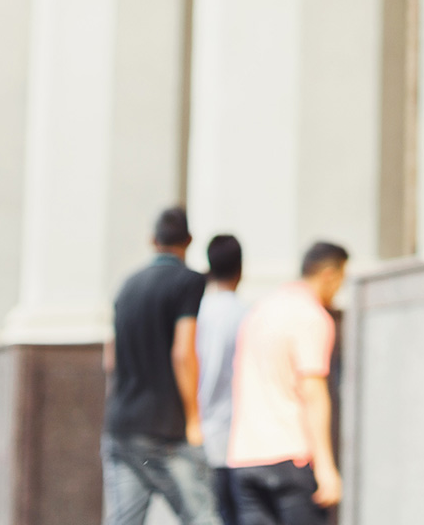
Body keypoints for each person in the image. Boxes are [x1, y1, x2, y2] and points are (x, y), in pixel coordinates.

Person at [102, 208, 221, 525]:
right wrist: (194, 419)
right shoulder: (189, 281)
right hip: (165, 430)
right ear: (189, 240)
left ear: (152, 240)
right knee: (202, 517)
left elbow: (109, 358)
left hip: (121, 425)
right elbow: (183, 351)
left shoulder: (127, 285)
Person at [225, 242, 347, 525]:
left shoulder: (259, 310)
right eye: (341, 279)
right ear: (329, 273)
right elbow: (313, 392)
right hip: (290, 457)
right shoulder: (311, 316)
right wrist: (326, 468)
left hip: (245, 457)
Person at [197, 235, 247, 525]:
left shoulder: (195, 314)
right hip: (234, 435)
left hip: (195, 434)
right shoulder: (245, 314)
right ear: (241, 269)